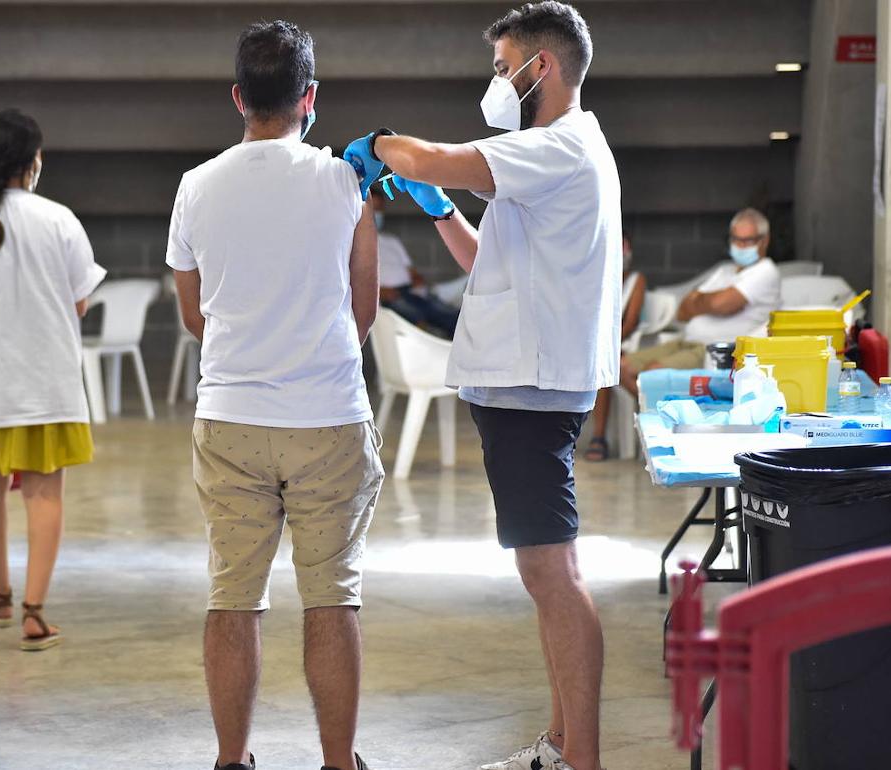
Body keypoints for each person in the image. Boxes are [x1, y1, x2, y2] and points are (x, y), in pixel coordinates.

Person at [345, 3, 614, 769]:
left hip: (532, 389)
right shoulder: (544, 157)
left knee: (551, 574)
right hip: (522, 387)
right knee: (549, 573)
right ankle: (562, 744)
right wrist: (435, 212)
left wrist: (378, 148)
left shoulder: (556, 146)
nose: (497, 83)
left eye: (503, 68)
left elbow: (434, 156)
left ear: (544, 67)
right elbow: (482, 261)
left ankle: (580, 758)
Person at [168, 21, 382, 770]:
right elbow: (366, 311)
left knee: (233, 596)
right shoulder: (344, 180)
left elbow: (194, 316)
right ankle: (337, 762)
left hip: (229, 416)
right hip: (327, 416)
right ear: (310, 99)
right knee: (333, 597)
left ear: (238, 99)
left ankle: (232, 759)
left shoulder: (195, 187)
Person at [0, 109, 106, 653]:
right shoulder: (60, 219)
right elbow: (78, 303)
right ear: (35, 161)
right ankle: (34, 612)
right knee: (44, 492)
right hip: (48, 383)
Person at [618, 208, 780, 397]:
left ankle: (657, 409)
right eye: (736, 239)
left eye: (747, 240)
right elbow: (683, 310)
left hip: (713, 350)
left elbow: (719, 304)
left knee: (652, 373)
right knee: (621, 366)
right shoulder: (725, 271)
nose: (741, 246)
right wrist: (715, 301)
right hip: (686, 340)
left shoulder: (765, 271)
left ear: (765, 240)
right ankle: (655, 407)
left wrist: (705, 301)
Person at [585, 231, 644, 461]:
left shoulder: (635, 280)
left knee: (603, 367)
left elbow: (630, 322)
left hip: (620, 345)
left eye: (624, 246)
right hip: (590, 343)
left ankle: (599, 437)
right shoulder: (591, 277)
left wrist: (606, 343)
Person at [373, 192, 459, 337]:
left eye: (380, 208)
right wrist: (380, 292)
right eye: (373, 209)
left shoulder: (392, 241)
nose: (377, 214)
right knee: (416, 319)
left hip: (411, 291)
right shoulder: (356, 244)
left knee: (450, 315)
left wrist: (418, 282)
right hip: (388, 297)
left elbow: (412, 271)